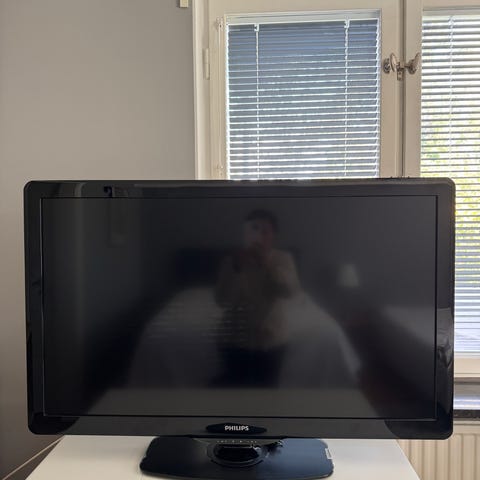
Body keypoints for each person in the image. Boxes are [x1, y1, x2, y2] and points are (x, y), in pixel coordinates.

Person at [215, 210, 300, 386]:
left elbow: (290, 292)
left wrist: (267, 265)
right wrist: (236, 268)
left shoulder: (283, 259)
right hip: (234, 339)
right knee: (233, 393)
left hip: (272, 340)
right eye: (253, 230)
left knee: (268, 393)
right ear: (245, 234)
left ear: (274, 236)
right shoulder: (231, 261)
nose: (259, 236)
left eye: (265, 231)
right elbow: (221, 300)